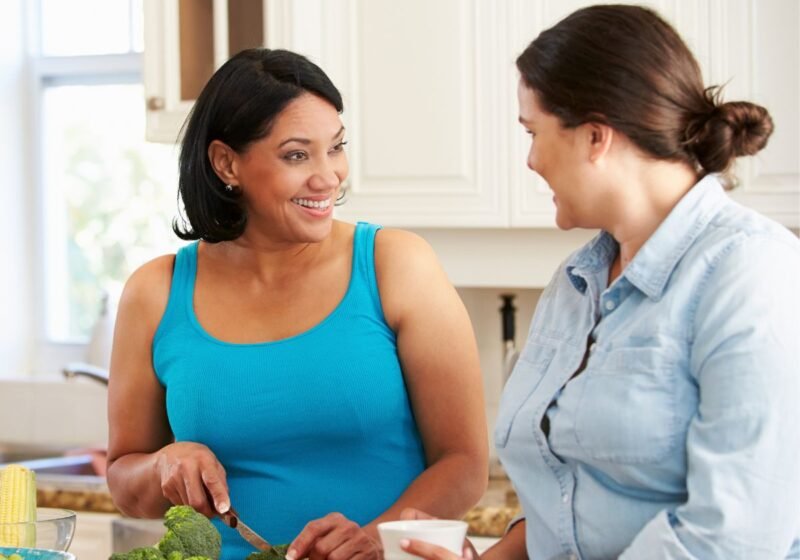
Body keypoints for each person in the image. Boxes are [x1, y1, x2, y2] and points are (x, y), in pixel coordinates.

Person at [401, 5, 800, 560]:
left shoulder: (752, 273)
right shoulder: (576, 283)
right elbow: (563, 503)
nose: (532, 160)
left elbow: (735, 538)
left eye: (534, 132)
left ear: (594, 136)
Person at [105, 48, 488, 560]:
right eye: (296, 155)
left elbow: (463, 463)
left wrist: (370, 540)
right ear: (226, 163)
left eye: (336, 148)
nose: (328, 176)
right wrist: (163, 465)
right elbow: (126, 485)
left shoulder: (396, 266)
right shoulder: (155, 292)